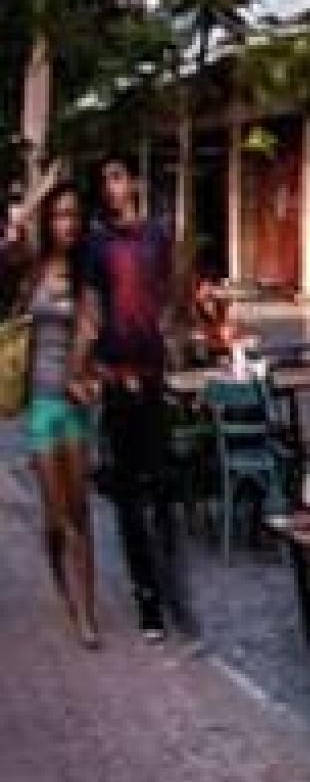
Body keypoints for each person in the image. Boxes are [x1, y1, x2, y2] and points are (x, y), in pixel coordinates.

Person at [76, 153, 186, 640]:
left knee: (162, 486)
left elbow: (171, 296)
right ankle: (148, 602)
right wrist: (89, 368)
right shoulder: (96, 245)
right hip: (118, 381)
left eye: (118, 178)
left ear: (134, 182)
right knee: (128, 498)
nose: (112, 188)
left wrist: (171, 339)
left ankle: (169, 588)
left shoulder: (157, 237)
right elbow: (90, 310)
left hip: (153, 376)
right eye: (105, 181)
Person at [10, 177, 108, 645]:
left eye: (73, 215)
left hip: (73, 403)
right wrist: (34, 198)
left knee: (79, 512)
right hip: (40, 403)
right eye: (58, 215)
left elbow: (92, 328)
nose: (66, 224)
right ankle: (61, 586)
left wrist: (84, 371)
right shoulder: (33, 268)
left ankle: (86, 614)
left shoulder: (86, 273)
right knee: (54, 516)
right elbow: (11, 238)